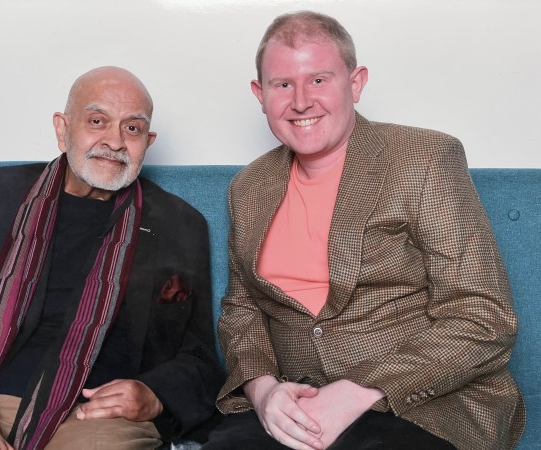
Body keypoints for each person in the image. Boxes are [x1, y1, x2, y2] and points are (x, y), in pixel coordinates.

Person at [203, 10, 525, 450]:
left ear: (355, 84)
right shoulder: (247, 187)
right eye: (283, 85)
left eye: (319, 80)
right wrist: (263, 391)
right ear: (260, 94)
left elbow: (484, 315)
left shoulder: (424, 159)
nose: (301, 101)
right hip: (298, 405)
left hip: (422, 404)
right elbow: (242, 310)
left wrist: (359, 392)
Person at [0, 66, 222, 450]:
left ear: (148, 141)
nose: (115, 141)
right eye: (97, 121)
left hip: (94, 416)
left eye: (132, 128)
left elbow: (200, 356)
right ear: (62, 129)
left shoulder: (179, 225)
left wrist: (155, 393)